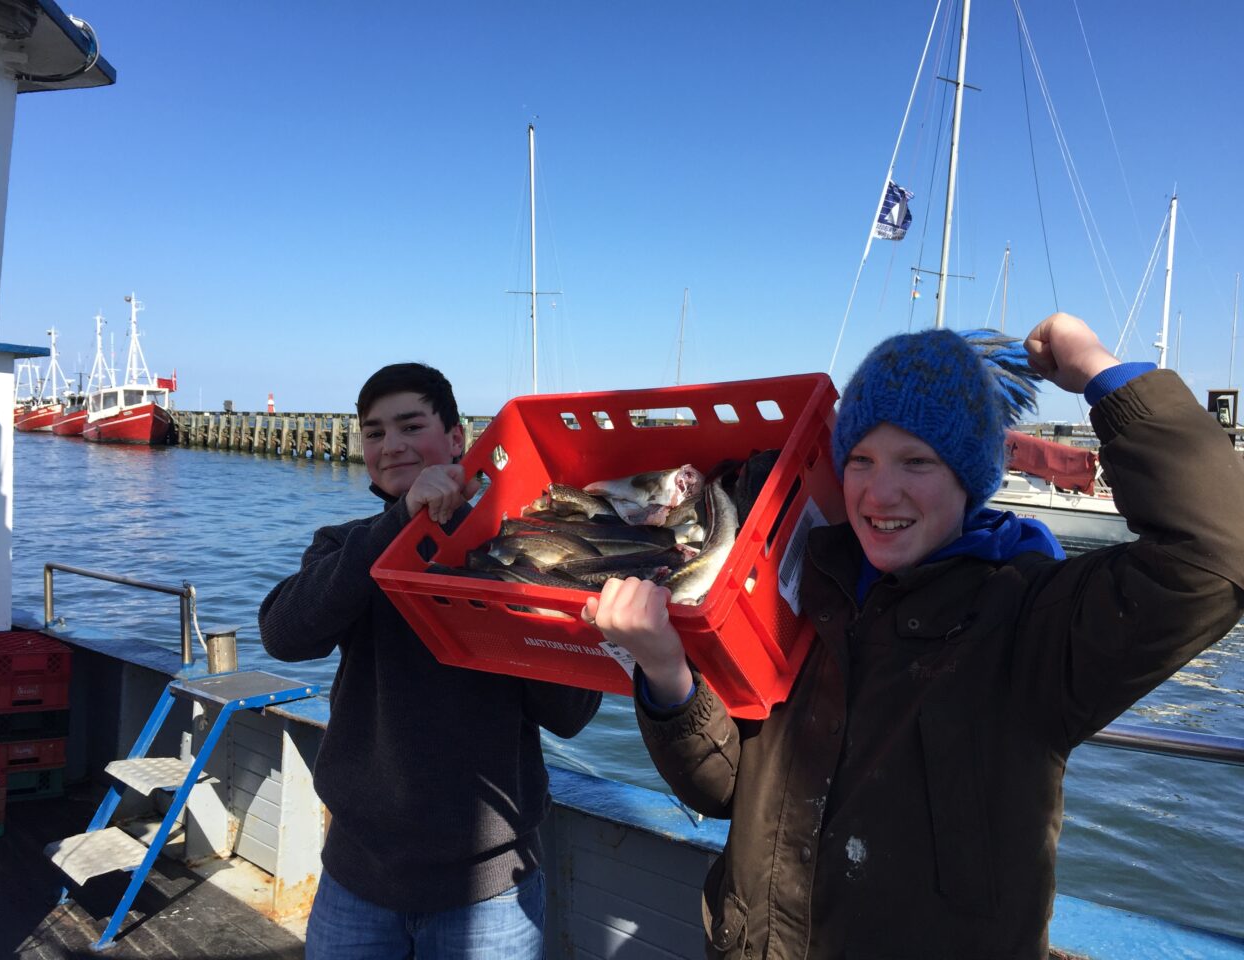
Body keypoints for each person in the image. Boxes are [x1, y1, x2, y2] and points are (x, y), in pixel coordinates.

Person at [582, 313, 1244, 959]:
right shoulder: (808, 588)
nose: (880, 492)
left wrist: (1101, 370)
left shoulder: (1035, 619)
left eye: (917, 462)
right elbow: (724, 791)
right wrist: (667, 674)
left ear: (970, 479)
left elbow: (1216, 554)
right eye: (861, 459)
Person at [260, 362, 602, 960]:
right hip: (355, 873)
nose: (391, 446)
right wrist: (401, 524)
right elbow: (285, 634)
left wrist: (524, 603)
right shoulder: (343, 545)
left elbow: (571, 711)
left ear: (456, 439)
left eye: (410, 426)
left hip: (490, 889)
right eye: (373, 432)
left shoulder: (519, 553)